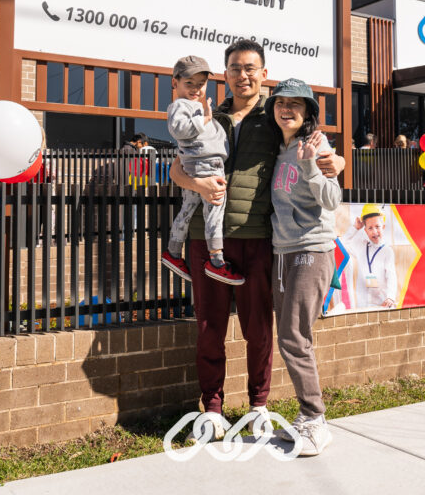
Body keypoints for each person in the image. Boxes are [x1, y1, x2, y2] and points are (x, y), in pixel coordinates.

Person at [169, 38, 344, 439]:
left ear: (264, 74)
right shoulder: (205, 115)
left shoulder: (279, 114)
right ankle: (211, 408)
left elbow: (323, 151)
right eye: (234, 68)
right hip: (205, 236)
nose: (242, 75)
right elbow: (177, 170)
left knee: (258, 329)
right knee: (209, 326)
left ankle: (258, 405)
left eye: (250, 68)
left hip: (260, 237)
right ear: (225, 75)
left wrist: (338, 160)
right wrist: (196, 183)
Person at [266, 78, 341, 456]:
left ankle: (315, 418)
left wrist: (312, 164)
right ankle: (306, 416)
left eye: (297, 104)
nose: (287, 109)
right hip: (283, 252)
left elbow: (332, 199)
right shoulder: (277, 150)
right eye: (281, 103)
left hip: (311, 249)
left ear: (308, 112)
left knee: (295, 337)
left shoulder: (314, 145)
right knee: (291, 336)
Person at [161, 56, 241, 285]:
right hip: (206, 165)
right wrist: (205, 119)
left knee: (187, 210)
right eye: (189, 83)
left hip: (201, 163)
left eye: (200, 84)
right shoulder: (180, 106)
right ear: (175, 83)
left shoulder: (195, 106)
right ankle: (216, 260)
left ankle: (173, 252)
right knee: (215, 210)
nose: (196, 89)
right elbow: (178, 130)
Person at [341, 203, 398, 309]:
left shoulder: (387, 251)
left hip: (383, 304)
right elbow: (342, 243)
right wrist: (355, 228)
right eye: (370, 228)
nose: (374, 231)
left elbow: (391, 276)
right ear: (365, 230)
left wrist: (390, 297)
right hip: (364, 306)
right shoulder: (361, 246)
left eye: (377, 227)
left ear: (383, 227)